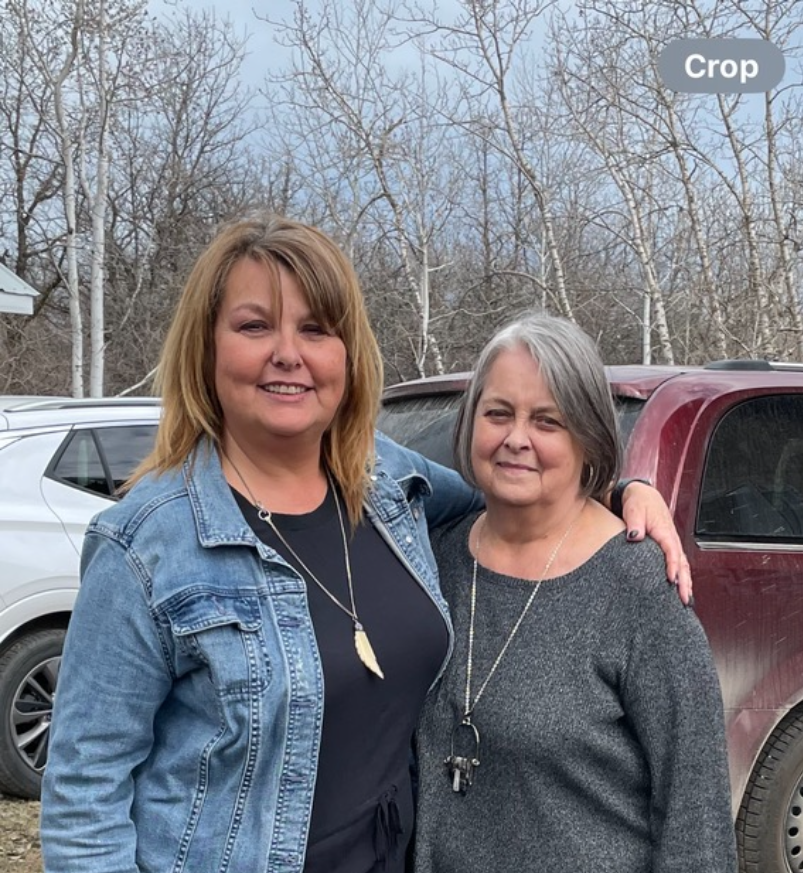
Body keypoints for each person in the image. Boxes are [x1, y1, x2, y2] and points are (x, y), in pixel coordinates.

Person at [40, 216, 690, 873]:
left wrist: (621, 491)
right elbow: (82, 801)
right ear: (205, 349)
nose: (287, 353)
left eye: (315, 328)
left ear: (348, 354)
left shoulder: (387, 482)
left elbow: (510, 491)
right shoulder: (144, 547)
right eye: (254, 326)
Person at [412, 312, 736, 873]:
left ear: (588, 436)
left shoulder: (637, 585)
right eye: (498, 413)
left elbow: (696, 813)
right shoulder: (432, 558)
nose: (516, 438)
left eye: (547, 421)